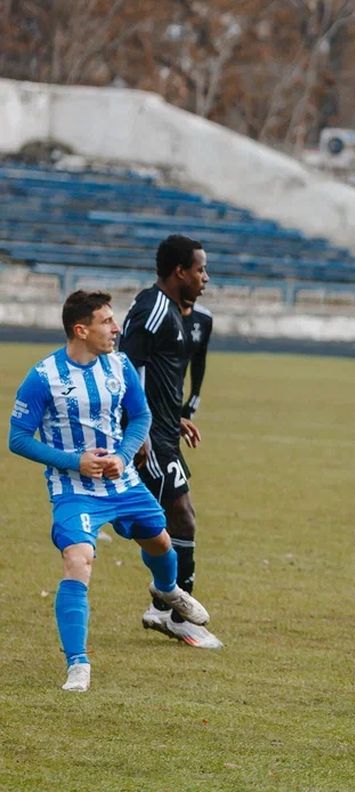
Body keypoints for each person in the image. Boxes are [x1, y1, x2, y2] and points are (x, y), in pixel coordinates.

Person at [8, 291, 212, 691]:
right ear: (80, 330)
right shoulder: (44, 376)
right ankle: (78, 665)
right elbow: (17, 438)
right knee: (79, 561)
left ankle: (167, 590)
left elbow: (141, 415)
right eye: (106, 322)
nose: (116, 329)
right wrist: (75, 462)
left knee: (161, 543)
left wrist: (122, 453)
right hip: (73, 490)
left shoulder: (119, 366)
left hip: (123, 483)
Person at [119, 234, 222, 648]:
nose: (205, 278)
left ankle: (166, 608)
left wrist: (174, 415)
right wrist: (138, 428)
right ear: (180, 271)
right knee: (176, 517)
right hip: (149, 439)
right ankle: (172, 611)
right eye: (200, 270)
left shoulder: (171, 312)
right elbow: (128, 368)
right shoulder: (154, 309)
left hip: (163, 431)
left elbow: (155, 375)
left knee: (174, 518)